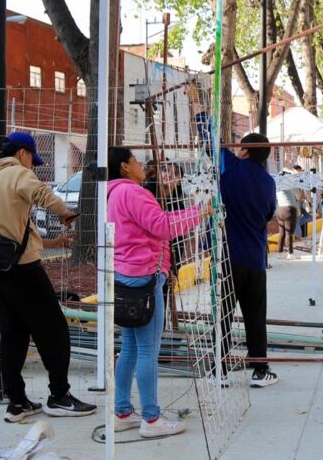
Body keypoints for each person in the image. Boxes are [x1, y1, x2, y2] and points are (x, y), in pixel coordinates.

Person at [0, 132, 96, 422]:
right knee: (54, 330)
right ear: (23, 153)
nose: (33, 165)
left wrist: (53, 242)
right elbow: (42, 193)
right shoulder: (18, 173)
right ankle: (59, 396)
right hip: (25, 270)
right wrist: (64, 212)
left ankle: (17, 402)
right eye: (32, 159)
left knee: (14, 333)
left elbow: (16, 228)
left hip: (0, 268)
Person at [107, 147, 207, 438]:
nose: (142, 165)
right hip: (143, 277)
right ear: (125, 166)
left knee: (130, 347)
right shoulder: (133, 192)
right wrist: (199, 213)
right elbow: (163, 226)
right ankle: (151, 419)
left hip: (126, 274)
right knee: (148, 349)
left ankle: (122, 411)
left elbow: (153, 223)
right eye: (136, 161)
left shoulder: (113, 193)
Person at [188, 85, 280, 388]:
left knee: (223, 314)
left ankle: (220, 370)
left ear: (244, 151)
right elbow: (269, 215)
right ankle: (260, 370)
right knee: (255, 316)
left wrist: (197, 103)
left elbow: (209, 138)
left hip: (227, 256)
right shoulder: (268, 183)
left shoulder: (231, 168)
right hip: (255, 258)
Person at [275, 172, 301, 259]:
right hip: (289, 210)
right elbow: (298, 197)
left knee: (282, 233)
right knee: (289, 233)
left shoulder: (278, 187)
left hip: (280, 209)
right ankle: (290, 254)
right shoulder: (289, 186)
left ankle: (280, 253)